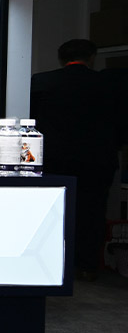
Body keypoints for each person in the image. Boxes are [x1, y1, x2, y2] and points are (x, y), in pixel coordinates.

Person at [30, 38, 120, 280]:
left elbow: (31, 122)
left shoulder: (42, 82)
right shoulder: (109, 84)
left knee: (53, 212)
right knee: (92, 212)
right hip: (97, 160)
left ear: (62, 58)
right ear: (92, 57)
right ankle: (87, 266)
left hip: (54, 158)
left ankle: (51, 263)